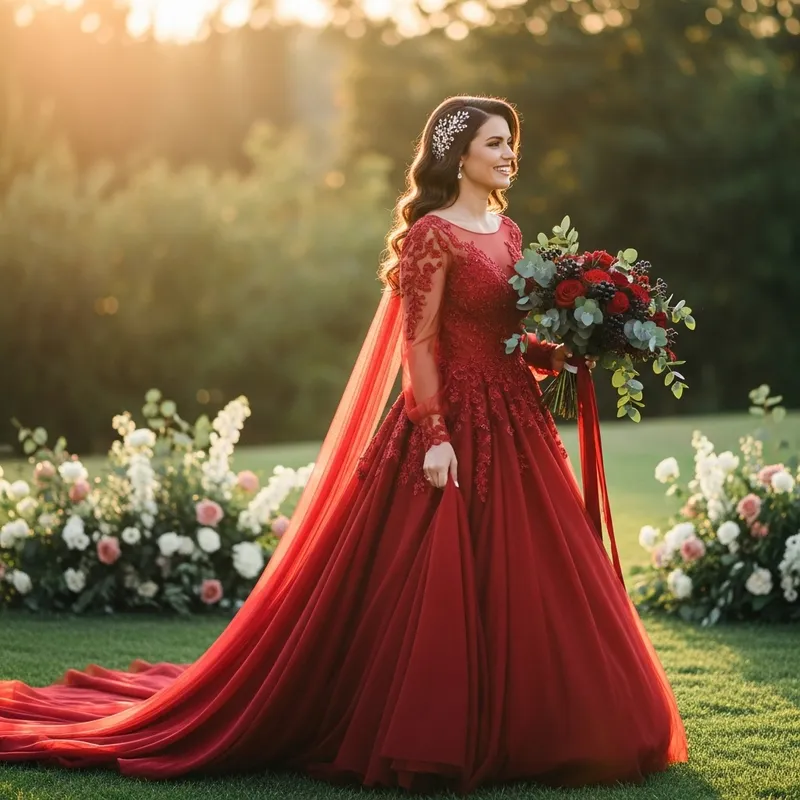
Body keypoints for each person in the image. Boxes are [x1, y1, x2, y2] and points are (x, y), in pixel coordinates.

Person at [0, 96, 688, 794]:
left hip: (515, 421)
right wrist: (436, 434)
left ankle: (540, 726)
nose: (509, 153)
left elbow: (503, 336)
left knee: (537, 573)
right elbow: (419, 343)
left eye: (512, 141)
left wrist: (561, 352)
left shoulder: (507, 231)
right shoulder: (431, 236)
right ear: (458, 155)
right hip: (450, 424)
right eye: (494, 142)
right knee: (430, 581)